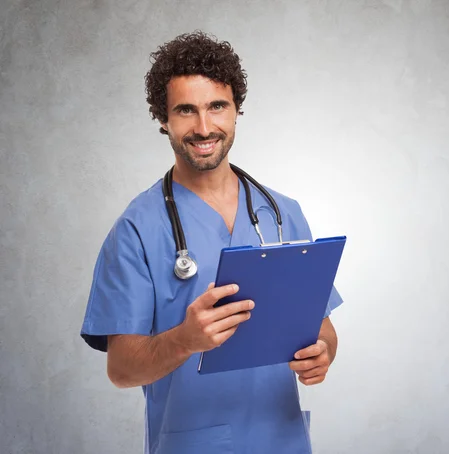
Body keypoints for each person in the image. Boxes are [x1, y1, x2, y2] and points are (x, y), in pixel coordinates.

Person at [80, 31, 343, 454]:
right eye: (186, 110)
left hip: (284, 439)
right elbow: (122, 370)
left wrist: (322, 353)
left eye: (217, 106)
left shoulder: (283, 213)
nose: (204, 127)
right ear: (163, 118)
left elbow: (323, 328)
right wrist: (184, 339)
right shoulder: (136, 229)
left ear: (237, 110)